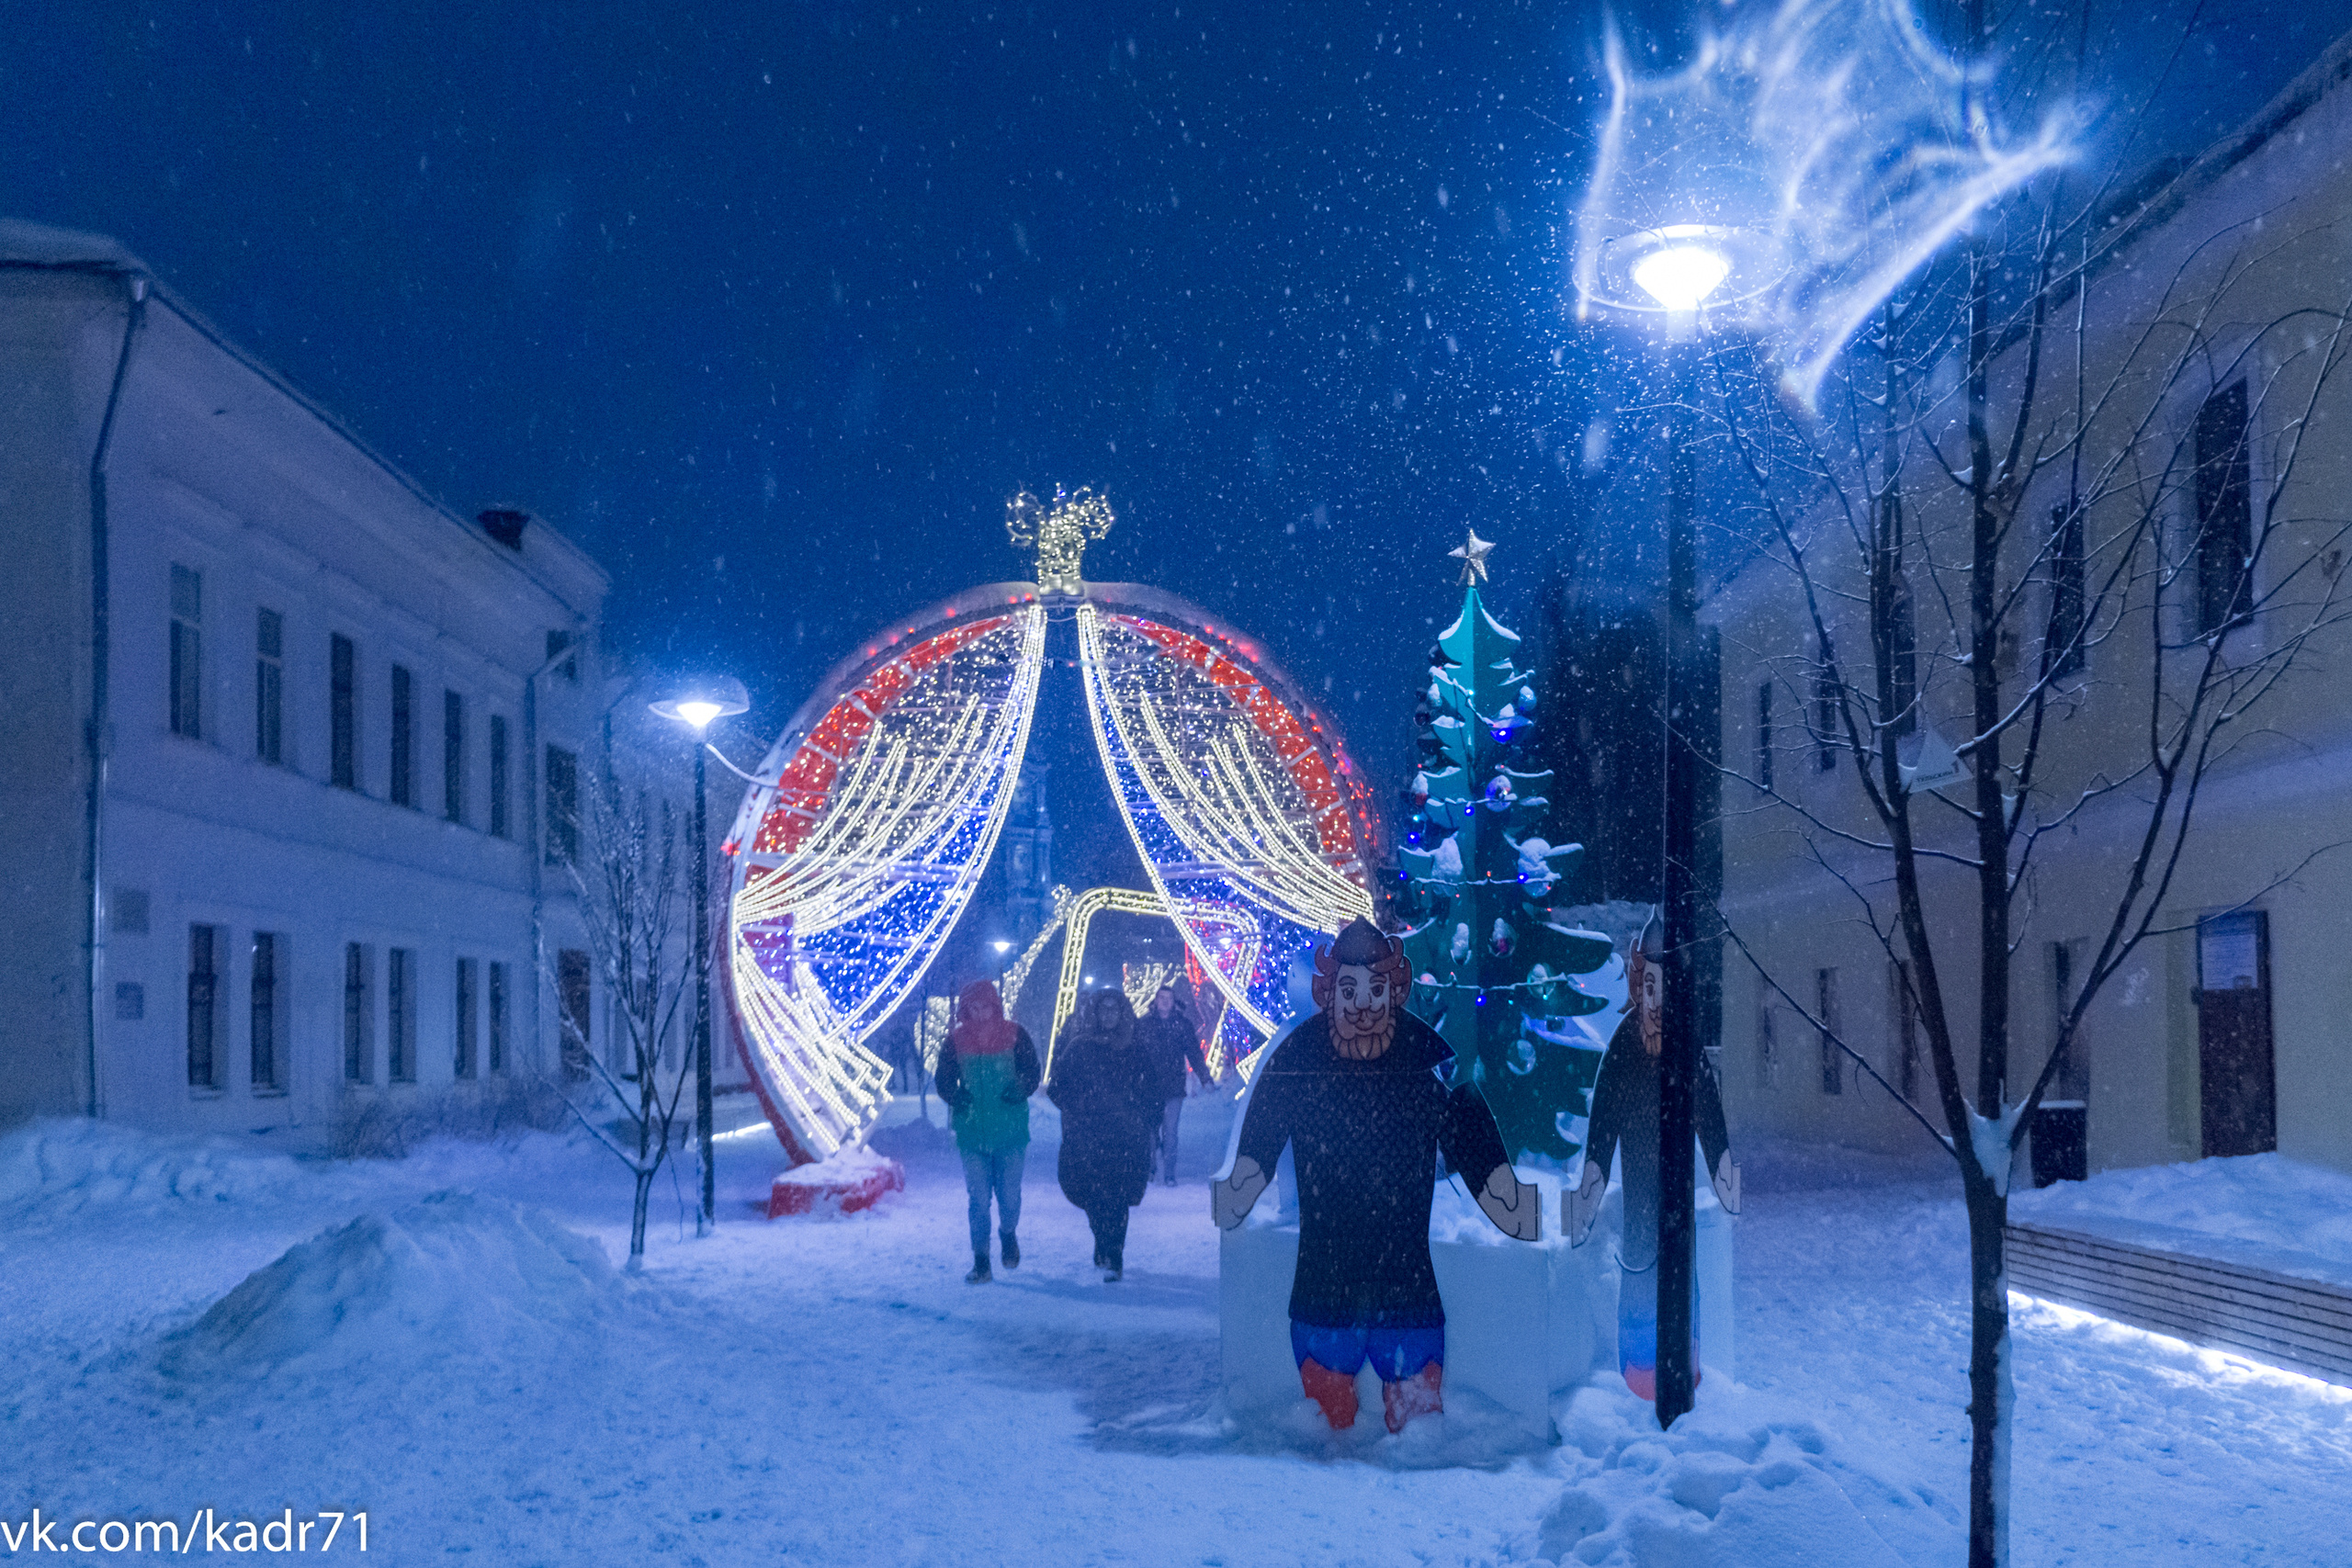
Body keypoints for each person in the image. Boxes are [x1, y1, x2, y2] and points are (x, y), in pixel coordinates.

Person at [1211, 918, 1542, 1434]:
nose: (1363, 1005)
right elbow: (1260, 1140)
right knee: (1325, 1423)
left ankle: (1396, 1448)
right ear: (1330, 993)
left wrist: (1508, 1199)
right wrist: (1239, 1187)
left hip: (1406, 1294)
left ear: (1394, 993)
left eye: (1375, 990)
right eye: (1350, 990)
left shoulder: (1417, 1075)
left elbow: (1466, 1136)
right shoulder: (1300, 1068)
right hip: (1324, 1290)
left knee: (1415, 1424)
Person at [1565, 915, 1740, 1400]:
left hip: (1679, 1204)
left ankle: (1684, 1370)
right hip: (1642, 1205)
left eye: (1667, 986)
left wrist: (1725, 1173)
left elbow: (1710, 1117)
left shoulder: (1686, 1048)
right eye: (1650, 986)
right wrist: (1585, 1199)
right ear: (1638, 984)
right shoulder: (1623, 1049)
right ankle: (1640, 1383)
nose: (1658, 1001)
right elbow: (1601, 1131)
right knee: (1641, 1271)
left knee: (1683, 1279)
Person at [934, 979, 1041, 1285]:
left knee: (1009, 1198)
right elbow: (944, 1079)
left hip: (1010, 1131)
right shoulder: (955, 1041)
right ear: (965, 1009)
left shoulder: (1015, 1035)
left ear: (995, 1007)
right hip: (971, 1132)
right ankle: (981, 1261)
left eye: (985, 1007)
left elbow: (1032, 1071)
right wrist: (954, 1096)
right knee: (978, 1200)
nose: (980, 1014)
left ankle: (1008, 1232)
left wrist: (1021, 1088)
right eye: (974, 1008)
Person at [1048, 987, 1159, 1280]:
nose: (1109, 1015)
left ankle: (1115, 1253)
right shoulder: (1080, 1048)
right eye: (1104, 1009)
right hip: (1089, 1138)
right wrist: (1079, 1107)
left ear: (1123, 1013)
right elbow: (1058, 1088)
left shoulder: (1134, 1048)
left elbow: (1151, 1090)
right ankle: (1102, 1239)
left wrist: (1141, 1116)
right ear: (1095, 1013)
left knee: (1118, 1198)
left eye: (1114, 1009)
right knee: (1094, 1197)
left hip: (1125, 1138)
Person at [1136, 985, 1214, 1187]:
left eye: (1168, 998)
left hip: (1173, 1088)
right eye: (1162, 998)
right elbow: (1134, 1055)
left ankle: (1169, 1174)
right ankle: (1150, 1169)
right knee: (1150, 1132)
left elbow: (1194, 1053)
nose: (1165, 1002)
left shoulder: (1182, 1025)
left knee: (1170, 1132)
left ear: (1173, 1002)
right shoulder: (1144, 1025)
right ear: (1156, 1001)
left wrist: (1205, 1078)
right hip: (1149, 1089)